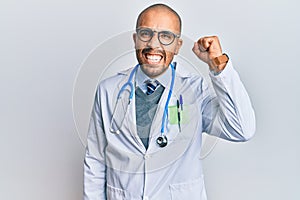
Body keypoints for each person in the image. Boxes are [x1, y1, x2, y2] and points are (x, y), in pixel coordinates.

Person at [83, 3, 255, 200]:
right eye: (146, 33)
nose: (154, 45)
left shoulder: (195, 90)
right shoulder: (108, 90)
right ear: (135, 40)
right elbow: (95, 159)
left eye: (166, 36)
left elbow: (242, 129)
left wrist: (217, 64)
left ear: (178, 45)